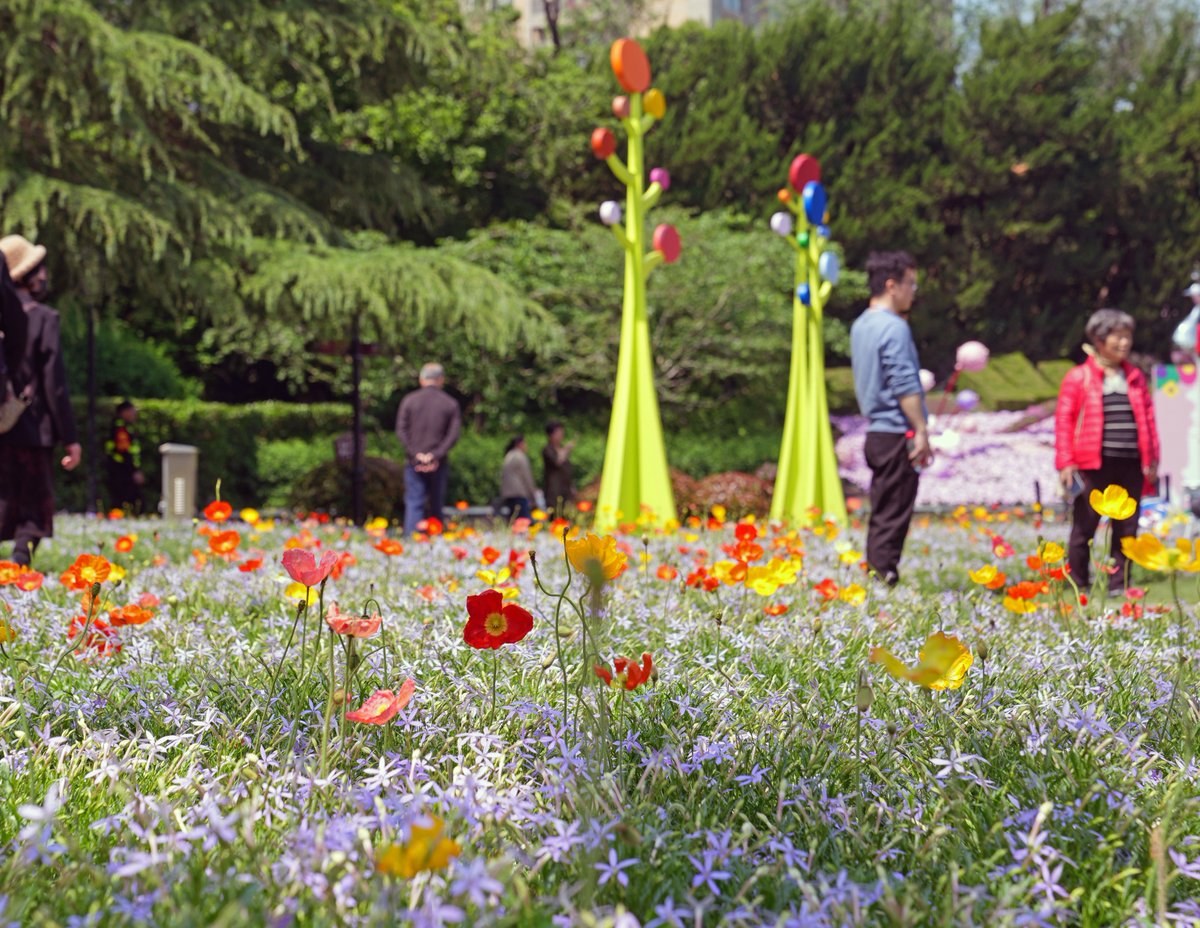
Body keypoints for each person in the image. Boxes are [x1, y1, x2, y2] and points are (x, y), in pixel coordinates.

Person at [1055, 309, 1159, 593]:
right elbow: (1064, 420)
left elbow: (1148, 420)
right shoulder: (1079, 377)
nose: (1125, 343)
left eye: (1128, 337)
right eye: (1118, 337)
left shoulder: (1135, 376)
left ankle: (1119, 584)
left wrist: (1151, 459)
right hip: (1093, 463)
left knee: (1127, 528)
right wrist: (1066, 462)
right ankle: (1078, 583)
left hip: (1131, 463)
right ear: (1099, 340)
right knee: (1085, 525)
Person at [849, 250, 931, 586]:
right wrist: (922, 429)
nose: (914, 292)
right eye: (911, 284)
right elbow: (904, 384)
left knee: (882, 508)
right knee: (894, 511)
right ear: (891, 285)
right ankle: (884, 577)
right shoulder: (893, 328)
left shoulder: (861, 324)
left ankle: (876, 573)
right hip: (897, 431)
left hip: (875, 432)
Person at [0, 234, 81, 566]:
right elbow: (54, 383)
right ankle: (19, 564)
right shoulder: (43, 317)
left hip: (2, 425)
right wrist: (70, 438)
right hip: (33, 428)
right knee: (33, 502)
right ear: (28, 274)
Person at [395, 362, 461, 535]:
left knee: (414, 502)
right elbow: (453, 435)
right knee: (436, 504)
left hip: (413, 461)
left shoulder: (409, 401)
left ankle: (412, 542)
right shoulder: (450, 403)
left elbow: (401, 431)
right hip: (439, 462)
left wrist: (416, 454)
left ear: (421, 379)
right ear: (441, 380)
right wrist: (435, 455)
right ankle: (435, 544)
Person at [105, 400, 144, 513]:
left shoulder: (125, 427)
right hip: (122, 471)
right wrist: (134, 471)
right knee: (128, 502)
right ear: (124, 412)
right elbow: (124, 452)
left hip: (123, 470)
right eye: (132, 411)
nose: (134, 414)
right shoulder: (121, 429)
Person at [499, 434, 538, 522]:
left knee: (513, 522)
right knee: (523, 522)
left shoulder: (508, 455)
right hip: (519, 494)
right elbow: (527, 478)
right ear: (519, 444)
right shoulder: (520, 456)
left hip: (508, 495)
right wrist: (533, 495)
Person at [542, 419, 575, 512]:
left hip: (566, 491)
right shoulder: (547, 450)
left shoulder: (561, 448)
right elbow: (557, 461)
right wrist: (566, 449)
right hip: (554, 493)